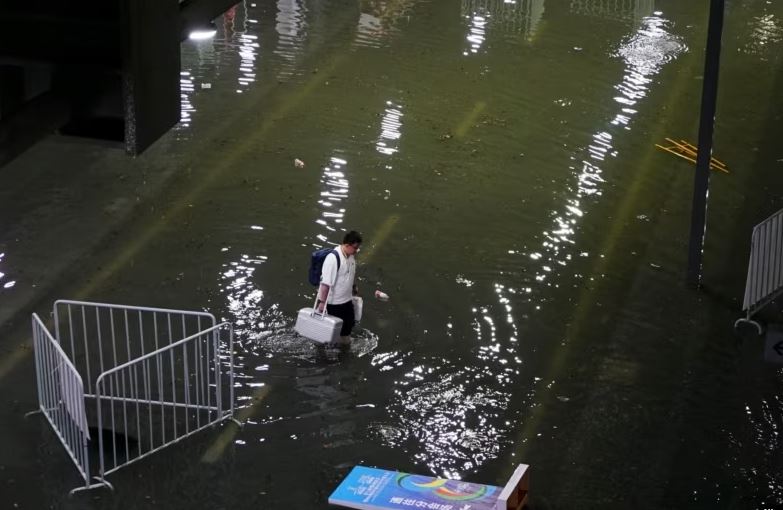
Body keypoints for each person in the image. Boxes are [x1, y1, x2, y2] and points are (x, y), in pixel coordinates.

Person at [317, 230, 362, 345]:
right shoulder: (333, 259)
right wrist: (322, 303)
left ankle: (344, 344)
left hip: (346, 300)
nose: (356, 251)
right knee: (333, 331)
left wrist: (354, 287)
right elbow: (325, 284)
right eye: (355, 248)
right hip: (334, 303)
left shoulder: (351, 256)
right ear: (347, 245)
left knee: (348, 325)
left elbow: (351, 273)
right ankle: (331, 351)